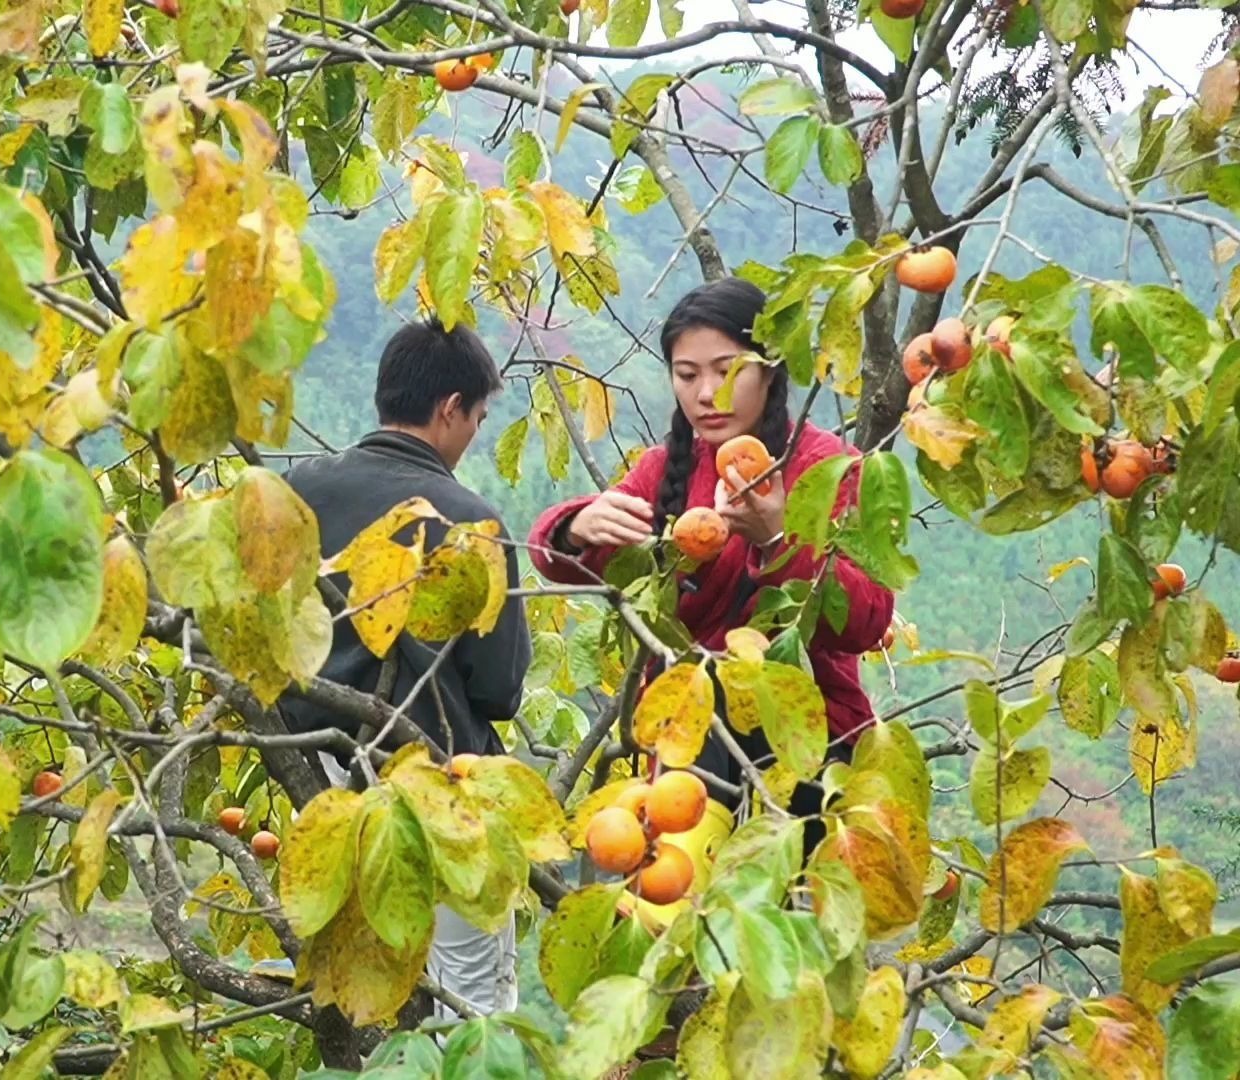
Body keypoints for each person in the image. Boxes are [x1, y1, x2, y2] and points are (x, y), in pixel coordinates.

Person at [528, 277, 894, 854]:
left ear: (769, 371)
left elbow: (868, 618)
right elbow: (555, 558)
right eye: (687, 374)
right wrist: (575, 528)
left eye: (726, 371)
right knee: (677, 909)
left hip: (809, 740)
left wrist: (776, 539)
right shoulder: (665, 468)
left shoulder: (832, 468)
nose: (705, 394)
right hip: (687, 744)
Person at [281, 317, 531, 1019]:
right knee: (473, 1001)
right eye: (478, 418)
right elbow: (500, 689)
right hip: (437, 783)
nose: (474, 434)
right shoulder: (466, 520)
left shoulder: (299, 486)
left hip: (321, 774)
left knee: (363, 985)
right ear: (450, 408)